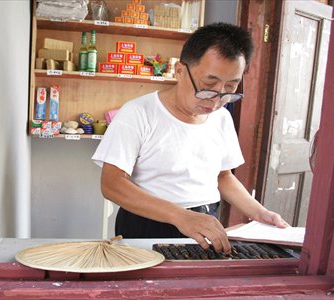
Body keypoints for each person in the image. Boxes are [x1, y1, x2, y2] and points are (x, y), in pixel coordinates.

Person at [91, 22, 289, 254]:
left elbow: (223, 176)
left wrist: (259, 213)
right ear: (180, 71)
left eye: (229, 89)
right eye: (208, 86)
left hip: (204, 222)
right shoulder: (138, 113)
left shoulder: (221, 118)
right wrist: (180, 216)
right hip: (149, 222)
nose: (215, 100)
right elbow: (112, 184)